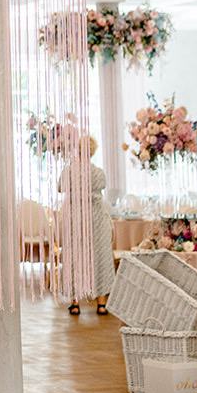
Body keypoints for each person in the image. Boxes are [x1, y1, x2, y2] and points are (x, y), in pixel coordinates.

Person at [58, 135, 114, 317]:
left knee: (75, 257)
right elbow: (102, 187)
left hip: (76, 218)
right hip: (97, 219)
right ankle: (101, 304)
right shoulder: (98, 173)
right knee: (99, 257)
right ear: (92, 152)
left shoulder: (69, 171)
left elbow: (60, 187)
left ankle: (75, 303)